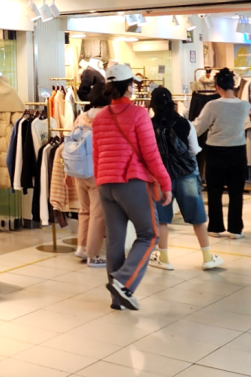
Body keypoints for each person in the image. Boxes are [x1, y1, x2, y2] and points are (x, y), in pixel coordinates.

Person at [92, 63, 172, 311]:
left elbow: (96, 155)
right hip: (132, 182)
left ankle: (118, 299)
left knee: (115, 241)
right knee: (150, 234)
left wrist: (100, 180)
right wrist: (165, 182)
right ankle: (123, 282)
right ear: (128, 87)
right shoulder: (139, 114)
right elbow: (151, 154)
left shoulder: (99, 117)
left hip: (106, 185)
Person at [148, 87, 223, 271]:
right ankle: (207, 257)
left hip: (160, 176)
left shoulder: (148, 125)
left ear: (153, 104)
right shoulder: (185, 124)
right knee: (197, 217)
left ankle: (164, 259)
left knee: (162, 219)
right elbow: (194, 150)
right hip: (185, 174)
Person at [194, 67, 251, 239]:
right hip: (238, 151)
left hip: (216, 151)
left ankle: (215, 227)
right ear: (234, 85)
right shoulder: (245, 105)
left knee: (214, 190)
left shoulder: (212, 105)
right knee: (236, 191)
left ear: (217, 87)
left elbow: (198, 127)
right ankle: (235, 229)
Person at [73, 84, 109, 268]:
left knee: (84, 210)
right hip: (96, 169)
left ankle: (82, 246)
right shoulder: (107, 117)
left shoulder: (81, 117)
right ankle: (93, 255)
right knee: (97, 213)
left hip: (78, 168)